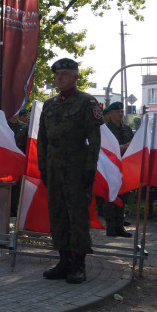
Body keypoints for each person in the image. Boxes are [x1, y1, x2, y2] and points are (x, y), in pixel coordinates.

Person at [37, 58, 102, 284]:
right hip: (54, 169)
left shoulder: (87, 102)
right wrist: (43, 167)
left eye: (64, 74)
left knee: (77, 216)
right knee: (57, 215)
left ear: (75, 76)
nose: (59, 78)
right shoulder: (50, 104)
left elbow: (94, 141)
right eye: (57, 74)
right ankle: (63, 260)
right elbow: (42, 139)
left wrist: (89, 169)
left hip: (76, 169)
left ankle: (79, 265)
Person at [102, 101, 133, 237]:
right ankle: (110, 226)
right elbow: (102, 148)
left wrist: (128, 146)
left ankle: (120, 225)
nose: (120, 114)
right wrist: (119, 148)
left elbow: (132, 144)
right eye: (117, 112)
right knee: (111, 197)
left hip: (124, 167)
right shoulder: (105, 129)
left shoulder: (126, 128)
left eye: (122, 111)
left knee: (122, 197)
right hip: (110, 167)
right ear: (110, 114)